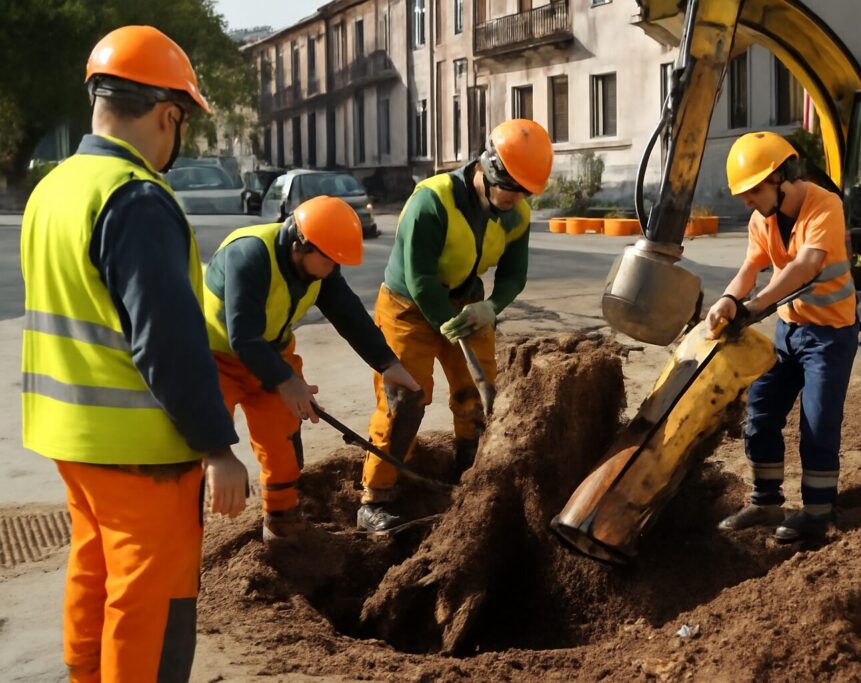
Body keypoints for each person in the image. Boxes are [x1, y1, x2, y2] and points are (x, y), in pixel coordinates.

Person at [20, 26, 249, 682]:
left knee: (93, 575)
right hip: (142, 452)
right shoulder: (137, 197)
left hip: (71, 439)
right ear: (167, 114)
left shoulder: (54, 190)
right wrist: (217, 447)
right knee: (149, 600)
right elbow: (168, 343)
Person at [357, 119, 554, 532]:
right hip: (408, 306)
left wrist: (492, 308)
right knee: (406, 399)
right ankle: (376, 498)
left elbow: (515, 274)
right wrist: (445, 322)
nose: (517, 199)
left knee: (477, 394)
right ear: (490, 170)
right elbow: (421, 279)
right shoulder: (431, 202)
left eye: (525, 192)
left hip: (467, 302)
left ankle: (470, 471)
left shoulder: (516, 213)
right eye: (511, 189)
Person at [202, 195, 420, 542]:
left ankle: (281, 518)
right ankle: (179, 531)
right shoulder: (249, 256)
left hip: (270, 353)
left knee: (283, 436)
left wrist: (387, 363)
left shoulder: (320, 266)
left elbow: (348, 314)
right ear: (301, 244)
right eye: (330, 260)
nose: (334, 269)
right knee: (203, 441)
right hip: (212, 358)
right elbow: (242, 336)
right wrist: (288, 382)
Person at [708, 131, 859, 543]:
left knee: (818, 423)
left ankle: (817, 512)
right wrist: (727, 299)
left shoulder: (825, 206)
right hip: (788, 332)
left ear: (782, 177)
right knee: (760, 414)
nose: (746, 201)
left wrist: (754, 307)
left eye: (753, 190)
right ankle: (765, 501)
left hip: (829, 336)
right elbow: (749, 268)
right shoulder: (762, 218)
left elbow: (806, 265)